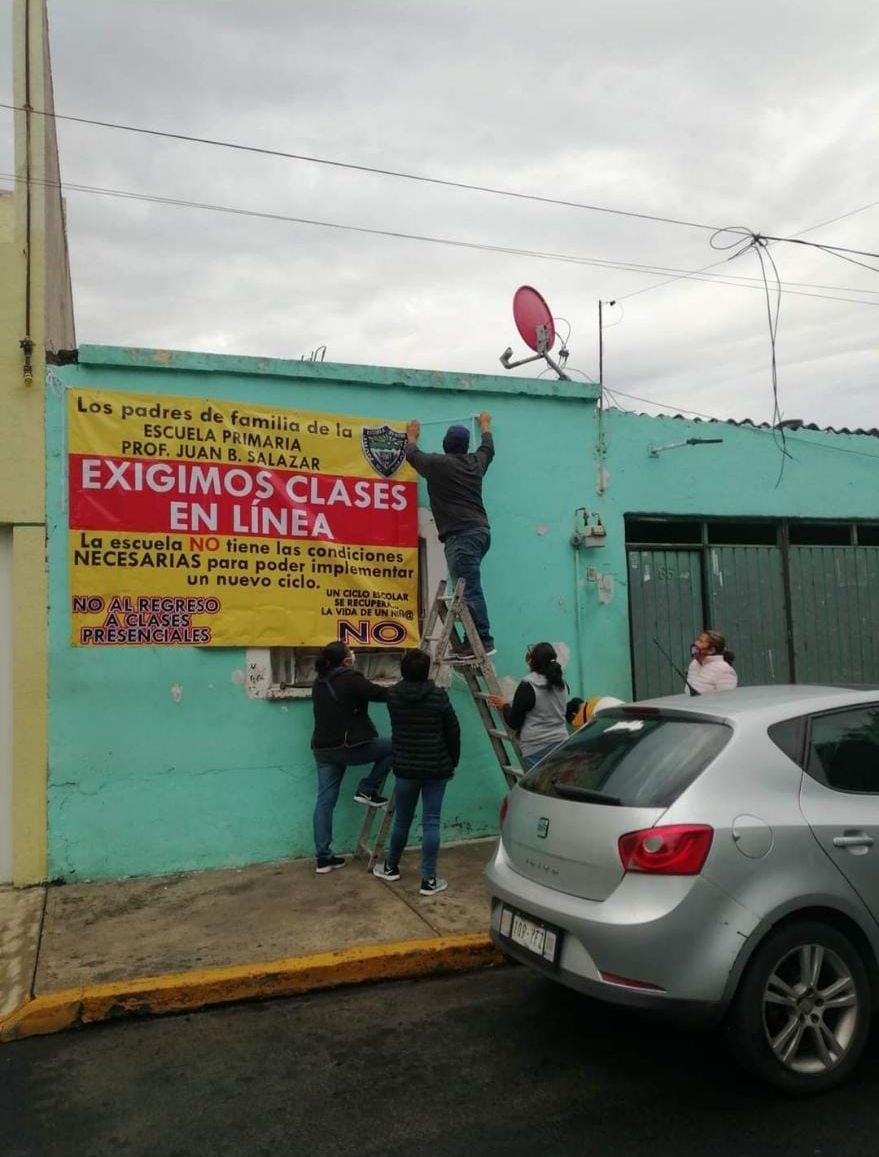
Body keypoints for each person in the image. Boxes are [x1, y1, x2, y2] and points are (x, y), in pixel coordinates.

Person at [405, 412, 496, 656]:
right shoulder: (475, 463)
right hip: (480, 533)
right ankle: (472, 641)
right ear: (465, 446)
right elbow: (488, 448)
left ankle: (482, 641)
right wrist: (485, 425)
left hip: (462, 536)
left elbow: (412, 455)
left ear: (446, 445)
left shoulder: (439, 465)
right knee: (468, 586)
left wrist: (411, 436)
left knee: (469, 589)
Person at [373, 649, 461, 896]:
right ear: (427, 670)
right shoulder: (438, 697)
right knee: (431, 821)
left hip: (405, 767)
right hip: (436, 767)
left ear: (402, 670)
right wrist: (452, 762)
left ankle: (391, 867)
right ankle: (429, 880)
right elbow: (453, 731)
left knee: (402, 819)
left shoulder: (393, 697)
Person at [310, 641, 392, 874]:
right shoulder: (350, 678)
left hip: (323, 750)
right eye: (349, 651)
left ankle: (323, 858)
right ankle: (368, 788)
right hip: (345, 747)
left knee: (325, 802)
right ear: (345, 659)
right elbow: (380, 694)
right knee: (395, 746)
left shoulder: (320, 681)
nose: (352, 653)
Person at [488, 642, 568, 770]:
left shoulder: (528, 686)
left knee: (538, 789)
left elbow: (514, 722)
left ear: (532, 661)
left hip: (536, 747)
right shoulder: (561, 684)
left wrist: (504, 706)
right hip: (561, 743)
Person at [685, 629, 738, 694]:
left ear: (711, 650)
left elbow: (726, 699)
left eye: (701, 641)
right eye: (697, 640)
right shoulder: (694, 664)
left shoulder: (724, 669)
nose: (696, 643)